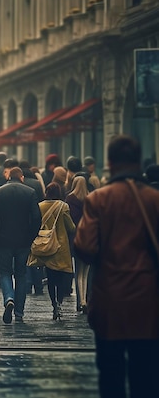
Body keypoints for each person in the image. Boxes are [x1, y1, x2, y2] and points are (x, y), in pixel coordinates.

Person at [74, 135, 159, 398]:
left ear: (109, 162)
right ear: (138, 160)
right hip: (149, 299)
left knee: (111, 374)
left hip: (110, 297)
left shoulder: (99, 199)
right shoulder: (154, 199)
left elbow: (85, 246)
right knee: (145, 373)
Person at [0, 167, 41, 324]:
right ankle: (19, 312)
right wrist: (32, 236)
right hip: (23, 240)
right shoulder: (30, 192)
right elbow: (37, 217)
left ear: (9, 177)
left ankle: (9, 297)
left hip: (3, 240)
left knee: (5, 272)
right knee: (21, 274)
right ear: (21, 177)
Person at [30, 183, 75, 320]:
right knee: (60, 278)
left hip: (46, 246)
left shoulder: (40, 206)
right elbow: (71, 227)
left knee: (50, 278)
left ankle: (53, 304)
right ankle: (60, 303)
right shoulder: (63, 206)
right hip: (60, 247)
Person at [65, 176, 90, 313]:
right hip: (89, 238)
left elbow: (69, 221)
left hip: (75, 238)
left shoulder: (70, 199)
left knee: (78, 272)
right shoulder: (90, 198)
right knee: (85, 272)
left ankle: (81, 301)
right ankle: (85, 299)